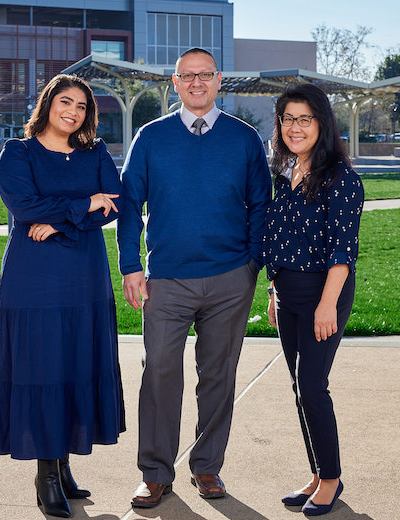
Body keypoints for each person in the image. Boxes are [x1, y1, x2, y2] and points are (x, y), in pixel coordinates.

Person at [117, 47, 272, 508]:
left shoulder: (243, 139)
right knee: (160, 373)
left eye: (205, 74)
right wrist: (130, 265)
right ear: (175, 83)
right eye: (188, 76)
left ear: (219, 80)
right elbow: (128, 205)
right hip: (167, 280)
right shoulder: (151, 137)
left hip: (229, 279)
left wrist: (252, 264)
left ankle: (207, 467)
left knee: (218, 376)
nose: (197, 82)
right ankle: (155, 473)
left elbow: (261, 205)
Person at [0, 74, 125, 519]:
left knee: (75, 361)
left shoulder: (96, 152)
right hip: (35, 276)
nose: (74, 111)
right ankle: (46, 476)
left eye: (82, 106)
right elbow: (24, 208)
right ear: (48, 104)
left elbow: (114, 202)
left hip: (84, 274)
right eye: (66, 102)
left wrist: (62, 220)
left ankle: (62, 467)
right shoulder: (18, 153)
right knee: (42, 363)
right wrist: (83, 205)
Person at [263, 83, 363, 516]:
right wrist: (272, 291)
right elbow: (280, 238)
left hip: (325, 294)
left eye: (305, 118)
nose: (295, 127)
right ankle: (317, 472)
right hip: (287, 293)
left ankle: (332, 478)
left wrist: (327, 306)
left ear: (321, 124)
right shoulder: (285, 173)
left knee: (312, 388)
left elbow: (343, 251)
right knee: (298, 389)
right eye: (288, 118)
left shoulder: (342, 178)